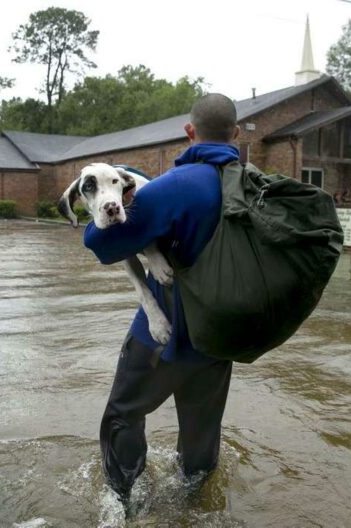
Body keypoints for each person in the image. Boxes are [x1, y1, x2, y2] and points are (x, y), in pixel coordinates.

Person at [83, 94, 240, 501]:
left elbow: (100, 242)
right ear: (237, 135)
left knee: (122, 416)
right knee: (201, 437)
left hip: (162, 337)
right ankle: (196, 506)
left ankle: (125, 503)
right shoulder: (246, 184)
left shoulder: (177, 186)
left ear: (190, 133)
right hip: (218, 341)